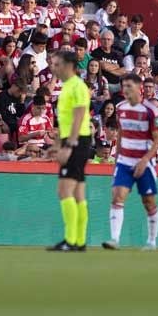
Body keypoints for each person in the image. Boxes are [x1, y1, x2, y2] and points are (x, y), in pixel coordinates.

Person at [104, 74, 158, 251]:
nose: (125, 89)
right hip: (124, 160)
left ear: (139, 88)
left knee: (149, 202)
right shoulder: (120, 108)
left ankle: (152, 241)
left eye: (129, 86)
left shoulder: (150, 110)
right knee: (117, 196)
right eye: (123, 86)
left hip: (144, 162)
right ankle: (114, 239)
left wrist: (145, 160)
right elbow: (121, 132)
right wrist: (117, 159)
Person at [47, 49, 92, 252]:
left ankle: (71, 240)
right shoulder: (66, 87)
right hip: (73, 139)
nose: (55, 67)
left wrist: (69, 145)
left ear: (68, 66)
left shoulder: (77, 87)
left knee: (64, 190)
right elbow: (63, 121)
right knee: (78, 192)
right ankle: (79, 241)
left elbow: (79, 116)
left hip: (77, 141)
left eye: (58, 64)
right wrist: (57, 144)